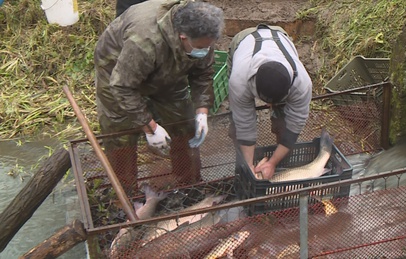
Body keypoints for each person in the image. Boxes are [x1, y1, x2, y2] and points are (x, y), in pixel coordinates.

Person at [94, 0, 224, 193]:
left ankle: (189, 185)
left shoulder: (203, 34)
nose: (204, 50)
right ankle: (128, 195)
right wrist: (151, 128)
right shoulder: (145, 40)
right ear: (183, 37)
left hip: (169, 66)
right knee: (120, 131)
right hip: (117, 68)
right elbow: (122, 87)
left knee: (184, 122)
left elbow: (203, 74)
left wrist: (202, 112)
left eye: (207, 46)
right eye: (200, 47)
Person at [227, 24, 313, 180]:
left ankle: (280, 164)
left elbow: (295, 124)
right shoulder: (239, 80)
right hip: (243, 40)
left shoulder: (301, 83)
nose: (267, 106)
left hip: (280, 36)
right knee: (237, 125)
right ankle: (243, 166)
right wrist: (249, 168)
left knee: (283, 122)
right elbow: (245, 124)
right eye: (266, 102)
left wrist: (272, 163)